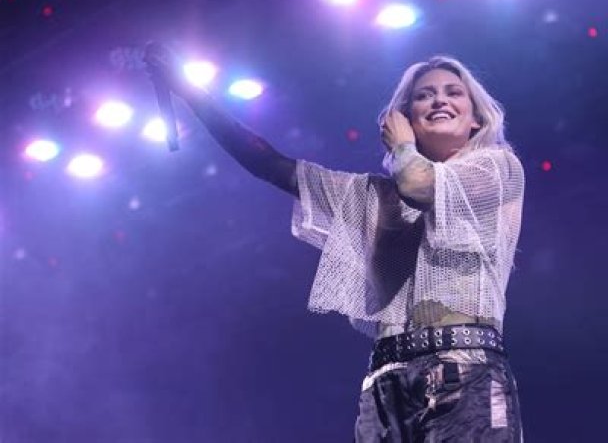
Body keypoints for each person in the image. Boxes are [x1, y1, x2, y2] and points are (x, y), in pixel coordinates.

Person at [145, 45, 525, 442]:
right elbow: (270, 164)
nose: (439, 100)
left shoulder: (496, 168)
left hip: (463, 369)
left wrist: (402, 148)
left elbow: (419, 185)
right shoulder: (374, 198)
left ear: (476, 118)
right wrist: (188, 91)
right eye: (424, 95)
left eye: (453, 92)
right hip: (386, 383)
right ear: (404, 118)